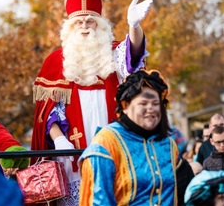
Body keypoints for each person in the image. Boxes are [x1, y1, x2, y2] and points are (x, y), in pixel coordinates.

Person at [31, 0, 153, 204]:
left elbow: (134, 55)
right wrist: (58, 140)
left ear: (100, 24)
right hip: (71, 156)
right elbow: (49, 113)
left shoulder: (113, 53)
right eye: (79, 21)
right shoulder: (56, 61)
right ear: (70, 26)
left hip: (113, 145)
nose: (85, 26)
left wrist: (134, 26)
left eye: (90, 21)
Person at [78, 69, 193, 205]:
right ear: (125, 106)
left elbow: (184, 193)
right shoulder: (106, 143)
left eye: (155, 104)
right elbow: (98, 200)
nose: (151, 108)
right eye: (143, 103)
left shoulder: (168, 144)